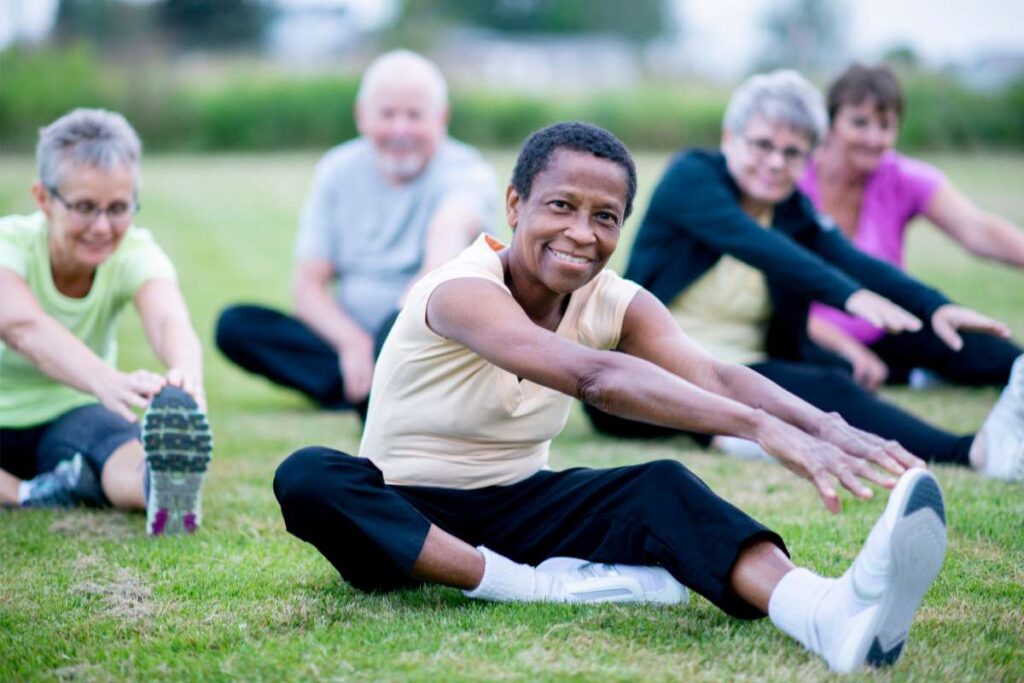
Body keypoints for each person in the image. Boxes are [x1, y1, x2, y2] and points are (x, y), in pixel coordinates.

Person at [274, 122, 951, 674]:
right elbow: (593, 377)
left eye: (606, 217)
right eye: (561, 206)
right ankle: (534, 583)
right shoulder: (459, 289)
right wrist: (756, 428)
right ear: (515, 205)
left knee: (661, 485)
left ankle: (823, 610)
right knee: (308, 474)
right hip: (403, 517)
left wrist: (822, 423)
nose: (581, 233)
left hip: (516, 500)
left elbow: (713, 374)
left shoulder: (615, 299)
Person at [589, 70, 1024, 481]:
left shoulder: (791, 208)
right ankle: (974, 452)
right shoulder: (692, 177)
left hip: (746, 364)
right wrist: (847, 296)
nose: (776, 162)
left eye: (792, 152)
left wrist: (936, 305)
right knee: (827, 388)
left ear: (808, 158)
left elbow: (853, 260)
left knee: (916, 341)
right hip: (645, 375)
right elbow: (761, 247)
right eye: (761, 145)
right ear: (729, 139)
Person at [215, 50, 498, 414]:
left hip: (425, 333)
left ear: (441, 118)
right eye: (387, 114)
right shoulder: (336, 170)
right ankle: (371, 386)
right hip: (348, 339)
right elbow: (307, 286)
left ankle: (373, 387)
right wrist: (353, 343)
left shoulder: (467, 171)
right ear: (361, 116)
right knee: (238, 325)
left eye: (414, 115)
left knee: (427, 344)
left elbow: (441, 260)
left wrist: (390, 338)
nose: (400, 129)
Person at [0, 108, 212, 535]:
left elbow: (169, 319)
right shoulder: (10, 244)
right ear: (43, 198)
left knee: (115, 444)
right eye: (84, 207)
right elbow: (22, 326)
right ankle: (28, 492)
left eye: (118, 208)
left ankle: (156, 487)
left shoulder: (134, 250)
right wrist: (104, 378)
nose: (102, 227)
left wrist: (188, 380)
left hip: (70, 413)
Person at [799, 64, 1024, 390]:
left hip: (889, 326)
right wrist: (849, 349)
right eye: (859, 123)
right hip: (808, 336)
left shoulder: (903, 177)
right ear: (830, 123)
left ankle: (914, 371)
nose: (874, 138)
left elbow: (978, 229)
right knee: (825, 375)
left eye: (886, 125)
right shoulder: (792, 182)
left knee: (989, 352)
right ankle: (909, 374)